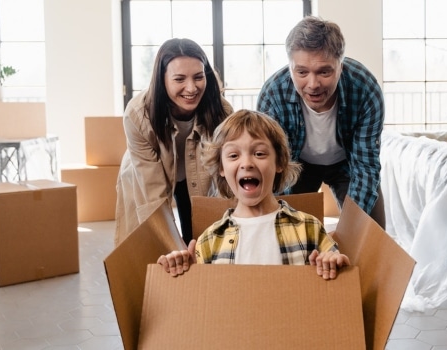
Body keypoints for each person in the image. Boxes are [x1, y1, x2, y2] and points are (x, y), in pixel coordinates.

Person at [157, 109, 350, 280]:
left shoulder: (309, 228)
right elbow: (202, 302)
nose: (247, 163)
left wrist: (332, 261)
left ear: (279, 163)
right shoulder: (209, 240)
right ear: (221, 168)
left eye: (259, 153)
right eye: (233, 155)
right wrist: (184, 270)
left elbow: (337, 269)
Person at [256, 16, 386, 227]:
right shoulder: (273, 95)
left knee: (370, 233)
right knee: (287, 233)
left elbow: (365, 165)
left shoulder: (365, 89)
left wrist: (352, 229)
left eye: (324, 71)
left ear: (340, 66)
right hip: (296, 165)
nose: (313, 84)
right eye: (302, 72)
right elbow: (273, 164)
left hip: (348, 164)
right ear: (290, 67)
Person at [115, 38, 233, 246]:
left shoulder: (221, 111)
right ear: (162, 80)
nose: (191, 88)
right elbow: (153, 197)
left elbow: (227, 173)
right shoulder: (137, 115)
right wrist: (172, 245)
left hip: (198, 174)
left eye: (198, 77)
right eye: (179, 79)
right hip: (146, 176)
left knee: (199, 239)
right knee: (153, 243)